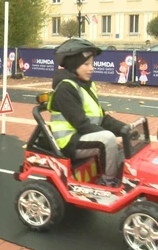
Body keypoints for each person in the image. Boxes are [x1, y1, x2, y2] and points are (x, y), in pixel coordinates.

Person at [48, 38, 126, 187]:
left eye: (92, 64)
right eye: (86, 64)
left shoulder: (86, 85)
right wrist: (114, 139)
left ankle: (119, 172)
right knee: (108, 139)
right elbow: (81, 124)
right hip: (70, 141)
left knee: (121, 136)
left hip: (83, 136)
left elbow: (102, 118)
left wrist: (125, 129)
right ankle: (108, 182)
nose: (91, 68)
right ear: (73, 65)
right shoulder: (66, 88)